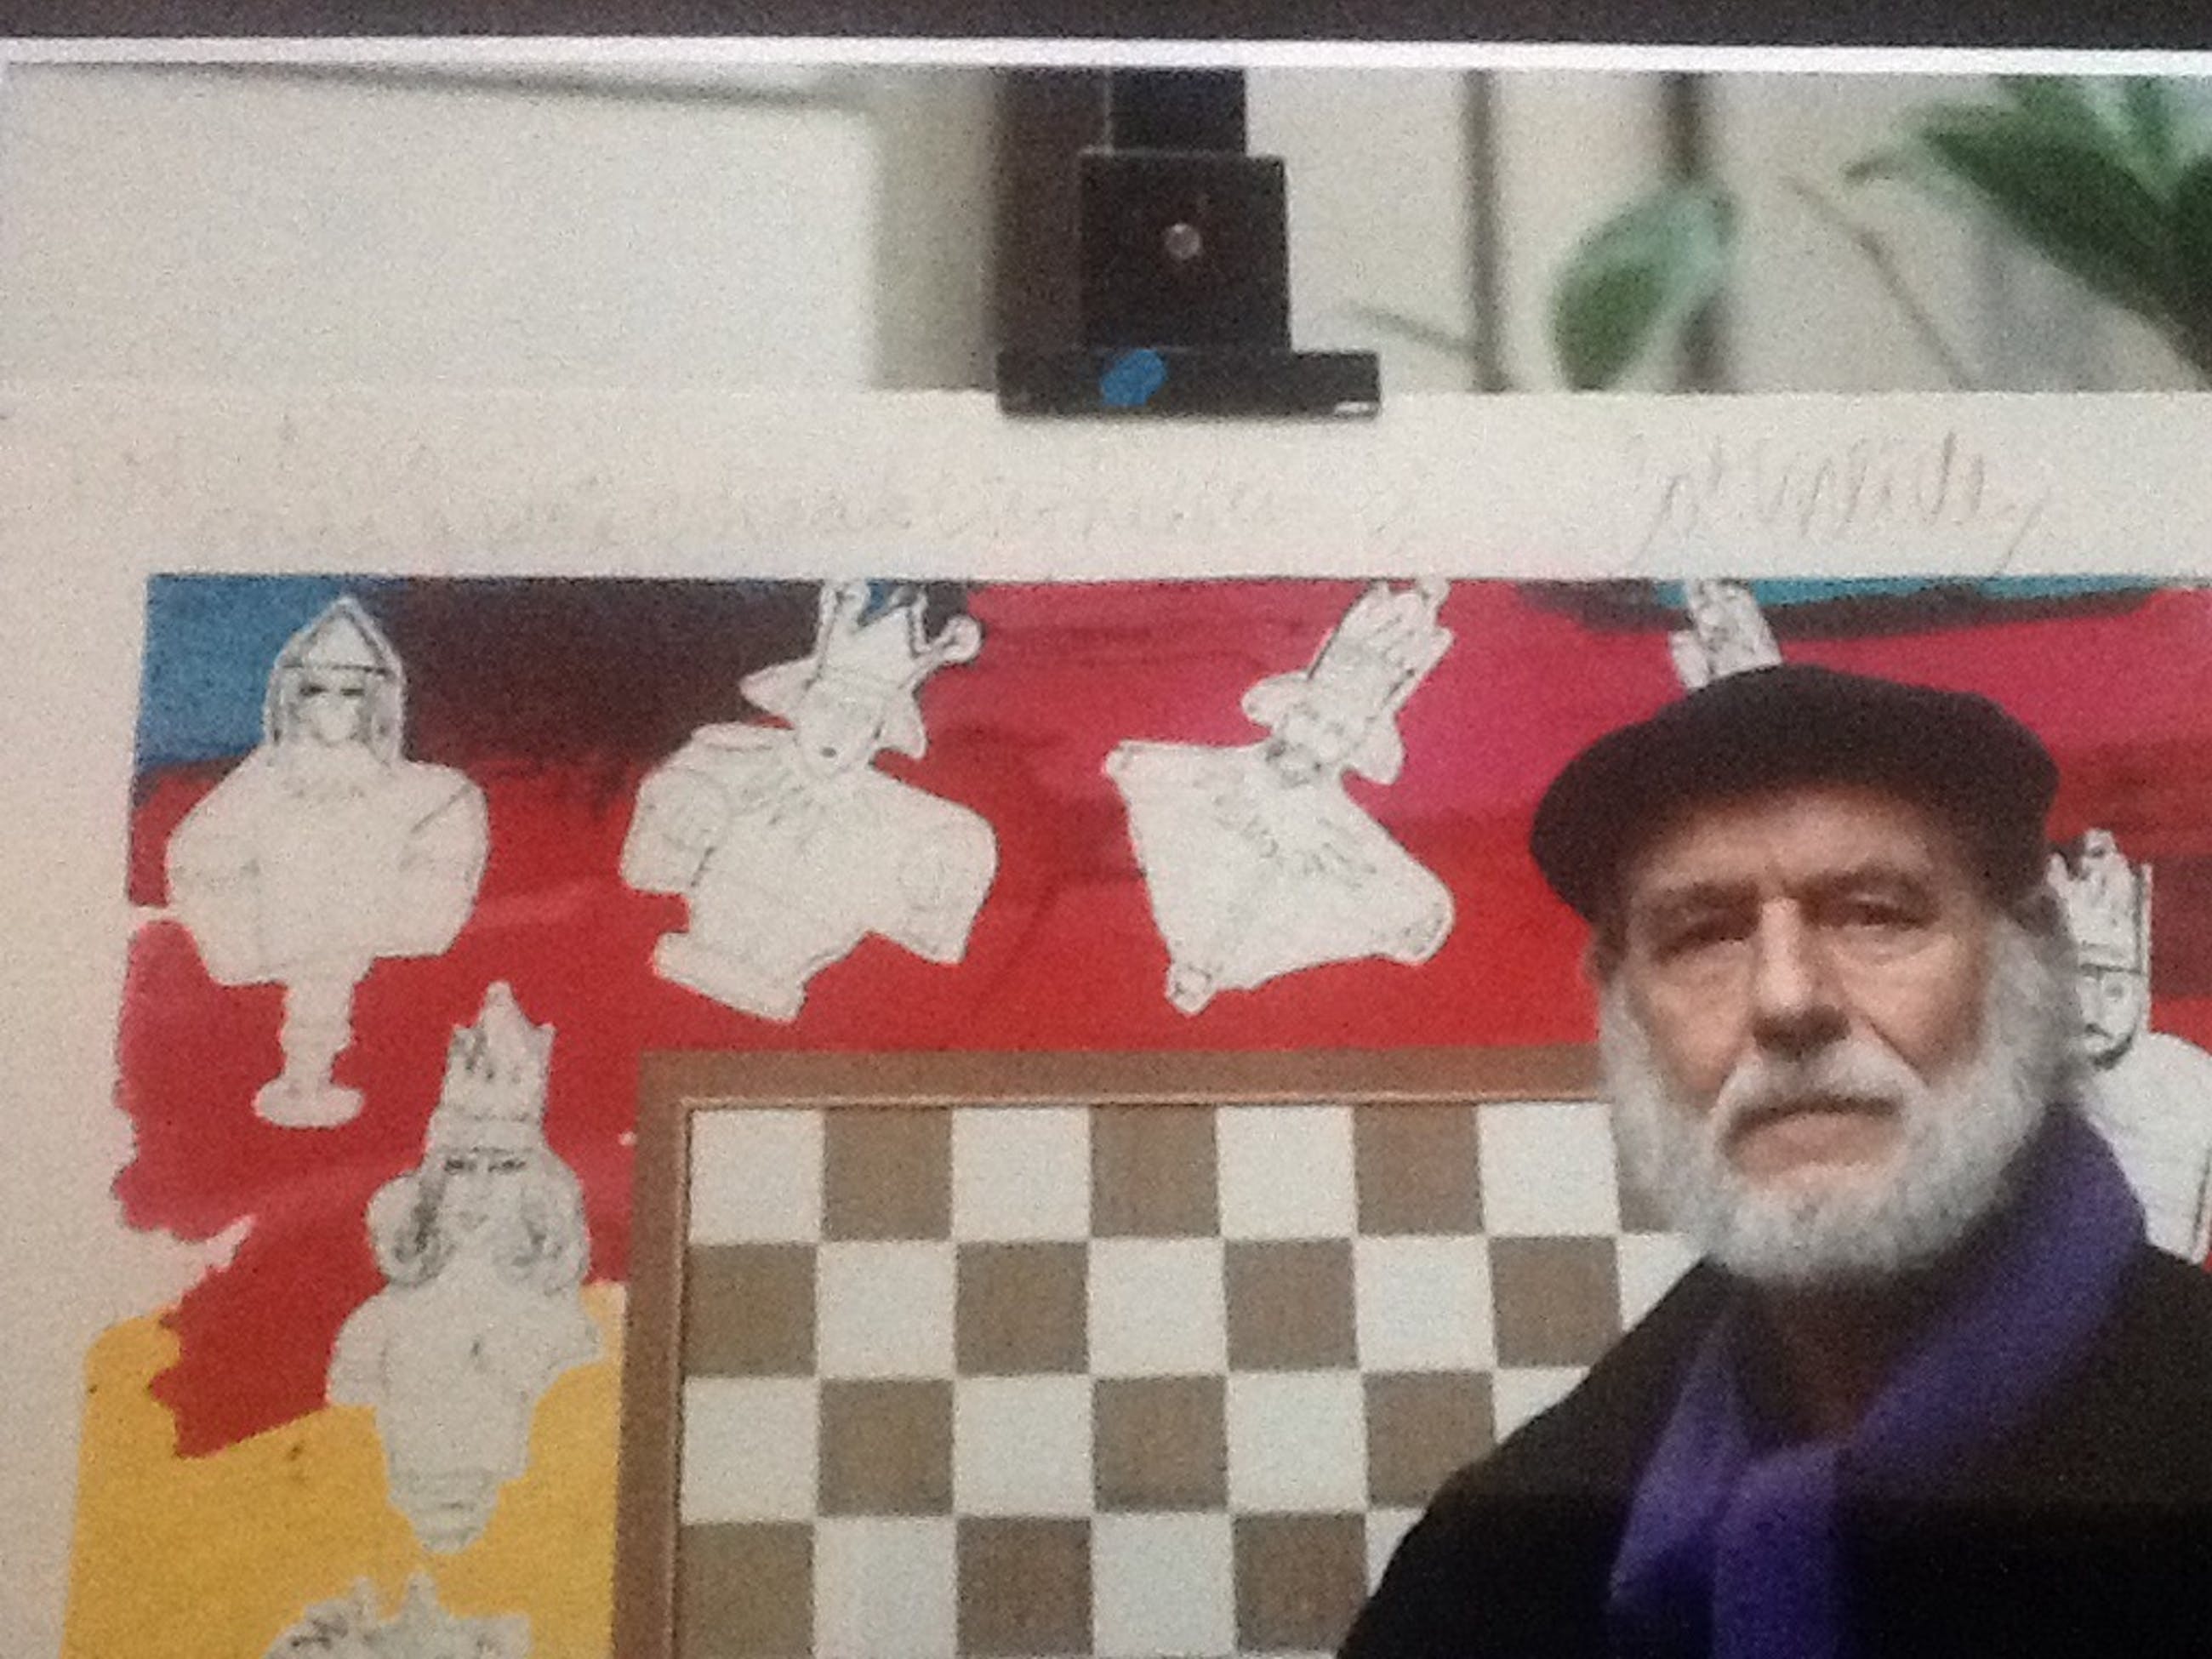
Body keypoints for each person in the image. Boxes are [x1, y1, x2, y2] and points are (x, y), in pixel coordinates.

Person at [1341, 662, 2212, 1659]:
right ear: (1622, 1009)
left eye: (1873, 912)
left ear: (2036, 959)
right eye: (1701, 935)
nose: (1786, 999)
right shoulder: (1501, 1561)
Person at [166, 595, 487, 1126]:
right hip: (288, 936)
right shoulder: (261, 783)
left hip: (356, 938)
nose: (334, 705)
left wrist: (385, 918)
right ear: (293, 697)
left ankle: (314, 1078)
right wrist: (254, 936)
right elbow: (202, 857)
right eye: (316, 690)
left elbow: (439, 859)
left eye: (352, 692)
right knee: (312, 1002)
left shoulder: (429, 796)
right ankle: (302, 1080)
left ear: (376, 701)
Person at [328, 982, 598, 1554]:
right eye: (458, 1166)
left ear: (536, 1184)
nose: (477, 1191)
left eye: (504, 1167)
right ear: (431, 1181)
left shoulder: (568, 1327)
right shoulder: (374, 1326)